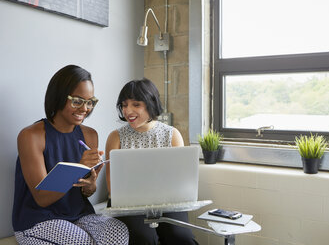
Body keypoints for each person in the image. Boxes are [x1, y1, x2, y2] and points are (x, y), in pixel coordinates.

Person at [12, 65, 129, 245]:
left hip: (79, 215)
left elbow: (86, 192)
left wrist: (90, 185)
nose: (85, 108)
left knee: (117, 231)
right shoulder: (31, 136)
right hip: (38, 219)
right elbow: (42, 198)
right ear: (59, 96)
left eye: (90, 102)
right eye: (77, 100)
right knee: (80, 240)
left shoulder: (90, 135)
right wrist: (77, 167)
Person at [105, 78, 199, 245]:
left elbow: (181, 181)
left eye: (136, 104)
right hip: (129, 205)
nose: (128, 111)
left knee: (181, 237)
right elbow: (112, 187)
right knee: (144, 239)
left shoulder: (172, 134)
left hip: (168, 202)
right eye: (124, 105)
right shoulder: (116, 137)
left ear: (151, 104)